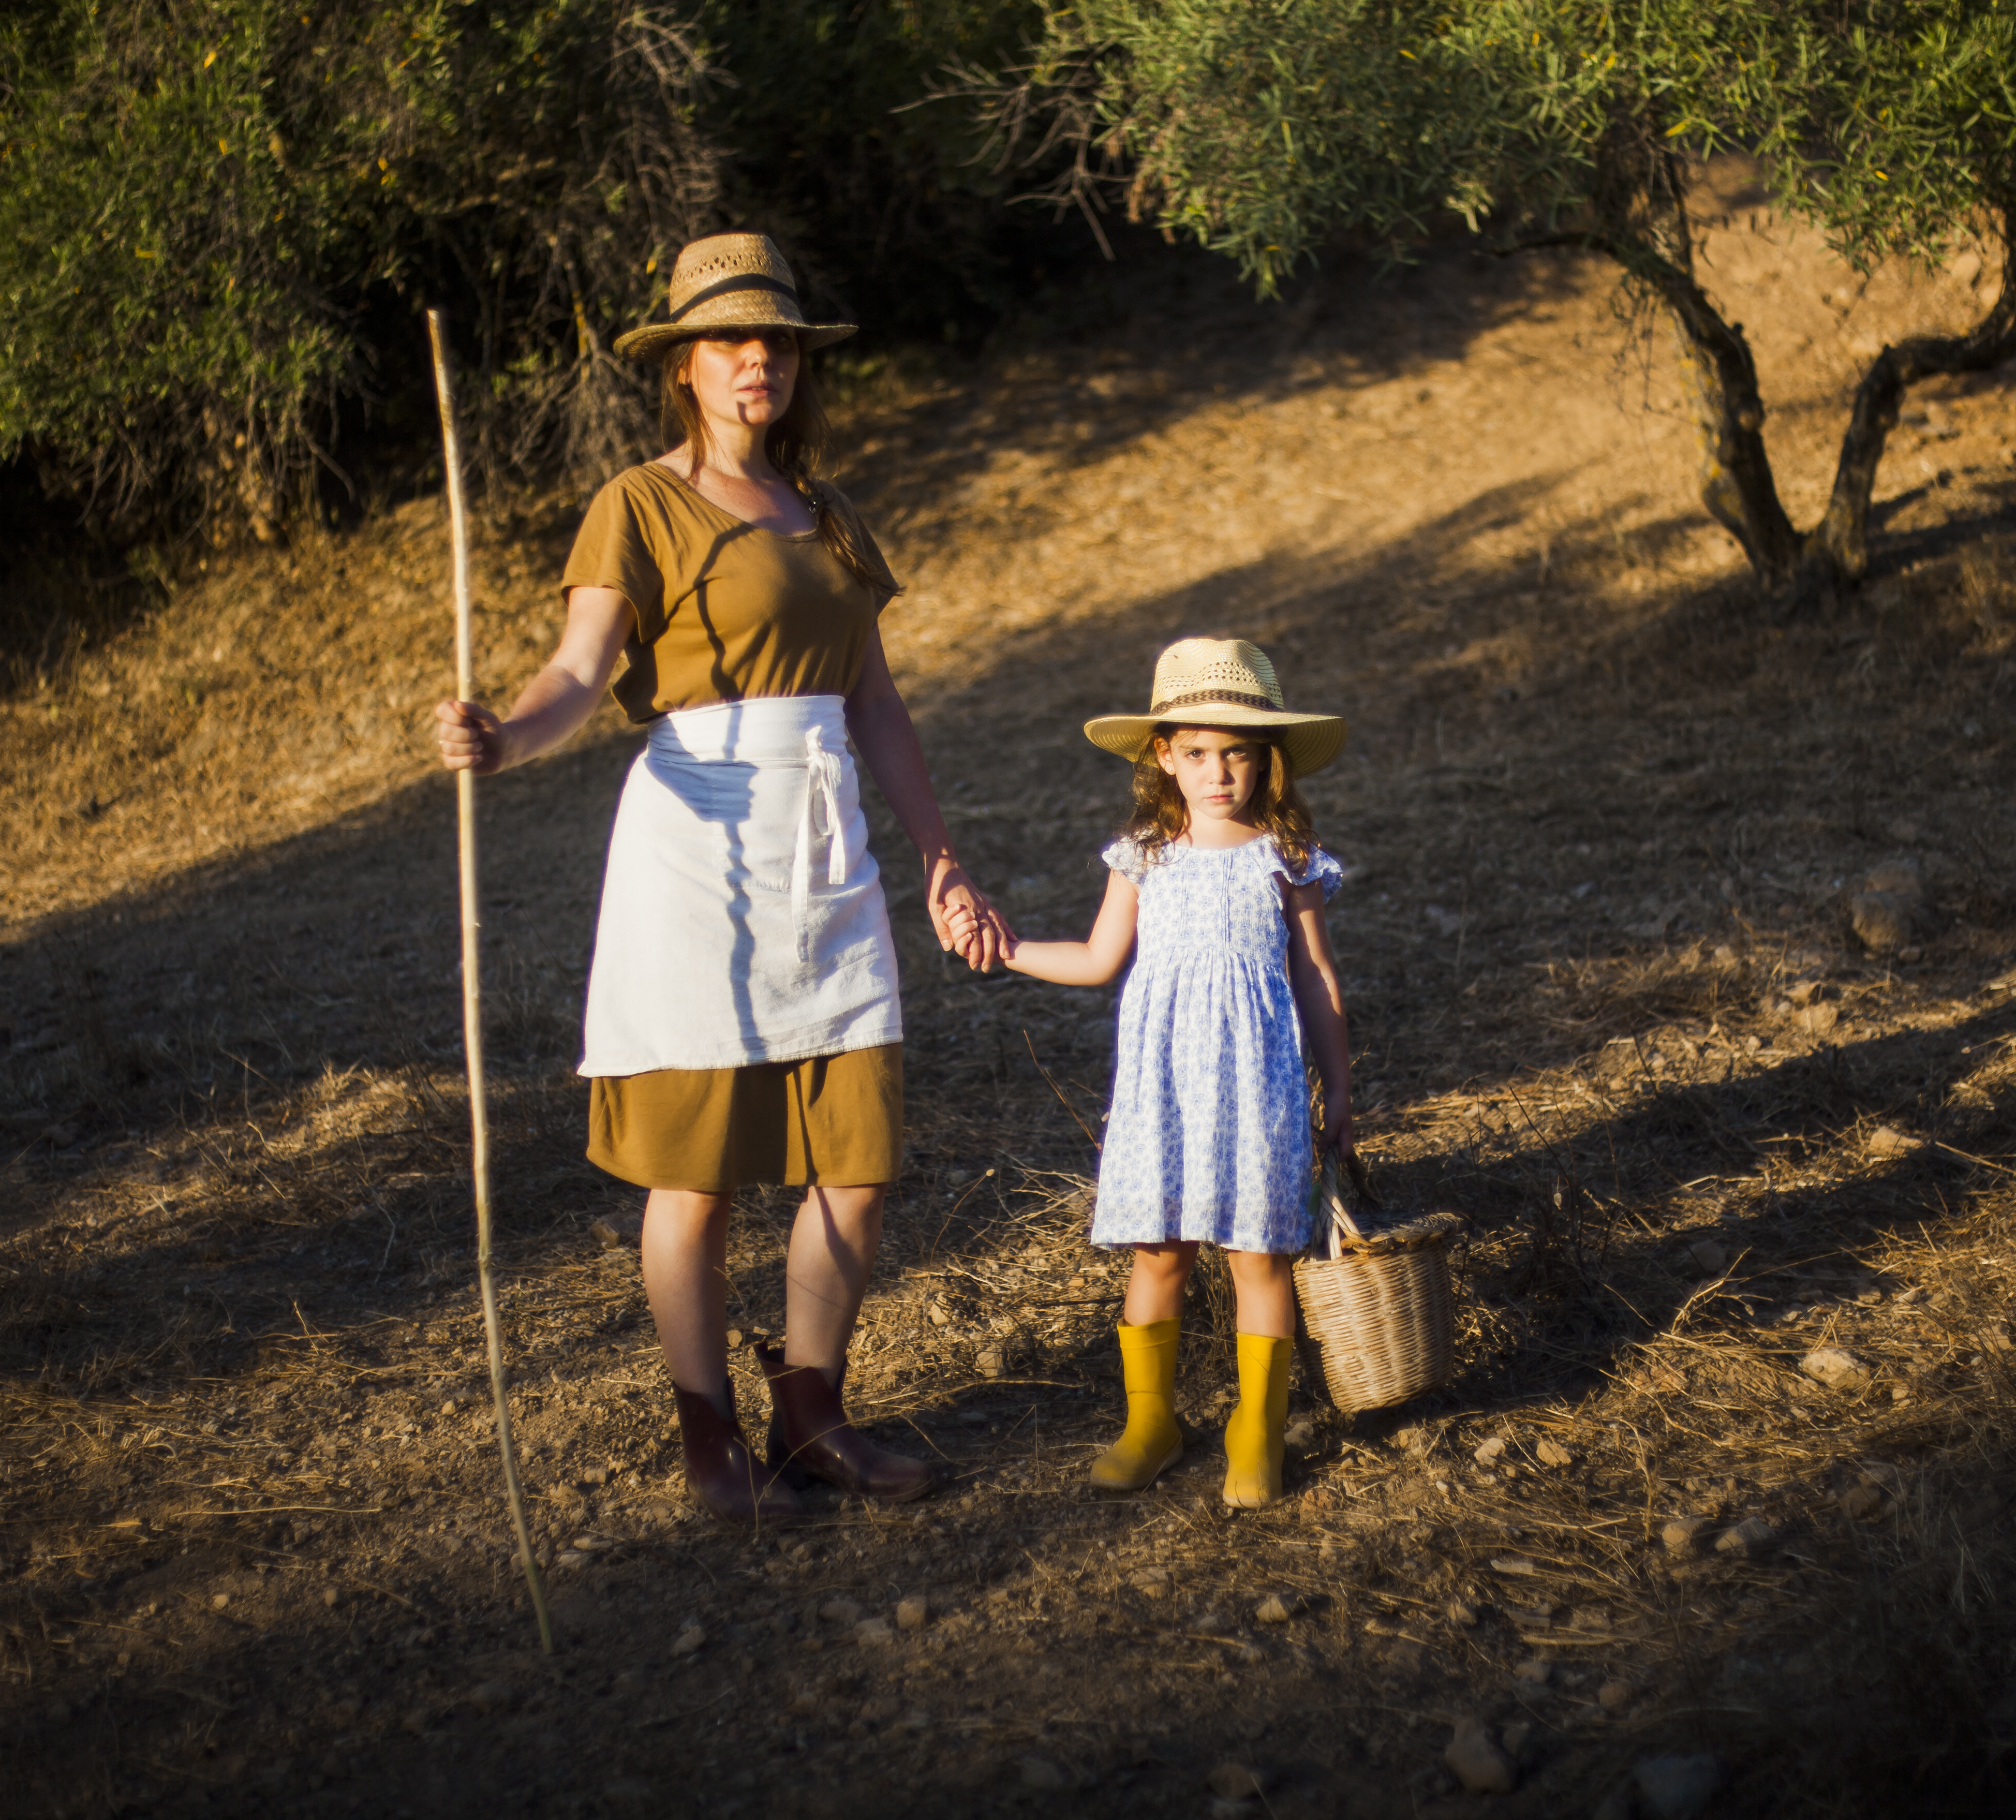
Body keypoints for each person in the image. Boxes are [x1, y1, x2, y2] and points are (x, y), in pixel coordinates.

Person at [433, 232, 1014, 1526]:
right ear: (686, 368)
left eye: (780, 341)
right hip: (697, 851)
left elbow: (878, 707)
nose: (760, 360)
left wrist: (941, 859)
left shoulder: (831, 513)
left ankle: (812, 1415)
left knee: (854, 1160)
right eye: (731, 343)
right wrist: (507, 738)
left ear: (801, 363)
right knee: (694, 1176)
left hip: (827, 850)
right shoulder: (637, 504)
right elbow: (582, 672)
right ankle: (710, 1442)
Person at [987, 637, 1353, 1508]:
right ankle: (1150, 1424)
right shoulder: (1143, 856)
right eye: (1196, 752)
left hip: (1257, 1083)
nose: (1217, 772)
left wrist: (1339, 1088)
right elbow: (1097, 958)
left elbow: (1317, 977)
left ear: (1269, 762)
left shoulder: (1285, 858)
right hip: (1163, 1088)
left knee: (1257, 1257)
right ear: (1164, 756)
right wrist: (1007, 950)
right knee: (1159, 1253)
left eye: (1236, 753)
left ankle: (1254, 1433)